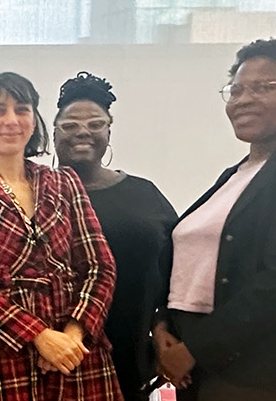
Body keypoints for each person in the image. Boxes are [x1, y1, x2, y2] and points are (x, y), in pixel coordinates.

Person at [153, 38, 276, 401]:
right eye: (236, 90)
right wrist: (163, 327)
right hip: (204, 361)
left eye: (263, 88)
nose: (243, 100)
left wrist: (195, 349)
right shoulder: (237, 175)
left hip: (265, 369)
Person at [0, 72, 121, 400]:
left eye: (22, 109)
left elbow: (99, 266)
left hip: (75, 355)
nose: (11, 120)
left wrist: (72, 337)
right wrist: (39, 336)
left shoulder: (65, 182)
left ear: (34, 121)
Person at [52, 72, 178, 401]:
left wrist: (165, 326)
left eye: (96, 124)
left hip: (131, 356)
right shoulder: (34, 195)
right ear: (53, 133)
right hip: (53, 358)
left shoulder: (144, 194)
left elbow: (178, 269)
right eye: (69, 125)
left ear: (109, 131)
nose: (83, 132)